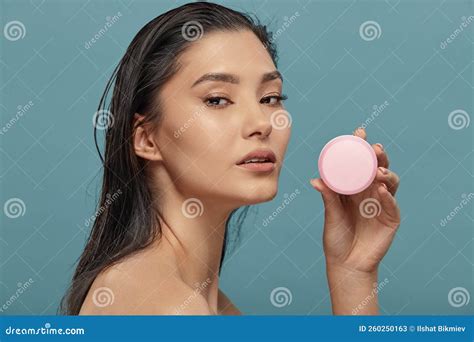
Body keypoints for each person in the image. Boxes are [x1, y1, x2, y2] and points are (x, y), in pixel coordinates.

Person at [61, 1, 400, 315]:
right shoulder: (164, 308)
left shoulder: (205, 306)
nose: (262, 123)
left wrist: (352, 273)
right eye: (218, 100)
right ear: (147, 138)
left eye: (270, 98)